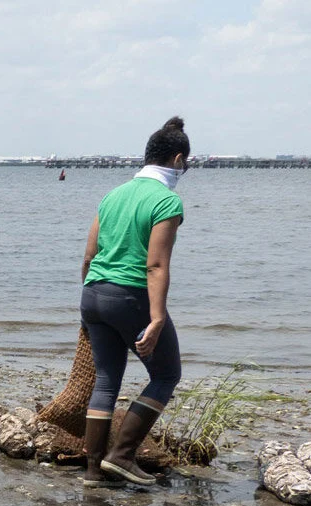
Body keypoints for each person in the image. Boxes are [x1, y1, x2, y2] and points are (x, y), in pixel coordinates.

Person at [78, 116, 190, 486]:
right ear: (177, 160)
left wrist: (88, 311)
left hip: (93, 294)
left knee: (107, 381)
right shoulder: (166, 200)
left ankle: (94, 471)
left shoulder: (113, 194)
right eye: (185, 164)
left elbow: (90, 255)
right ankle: (122, 456)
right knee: (165, 374)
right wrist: (156, 318)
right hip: (129, 297)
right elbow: (155, 265)